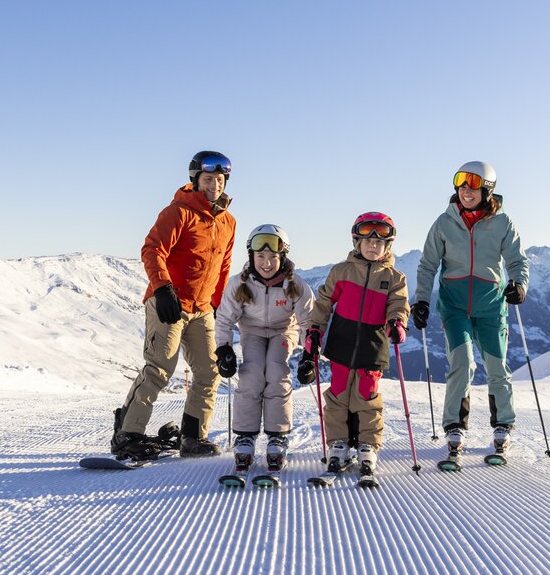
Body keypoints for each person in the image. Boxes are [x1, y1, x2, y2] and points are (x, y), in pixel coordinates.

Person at [112, 150, 236, 459]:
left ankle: (192, 437)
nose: (215, 186)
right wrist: (163, 288)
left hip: (203, 308)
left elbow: (223, 267)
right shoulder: (178, 212)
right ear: (196, 180)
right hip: (169, 302)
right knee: (159, 369)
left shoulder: (228, 222)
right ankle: (128, 434)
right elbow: (152, 249)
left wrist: (218, 306)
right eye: (209, 179)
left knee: (209, 372)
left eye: (220, 180)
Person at [412, 161, 529, 458]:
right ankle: (454, 426)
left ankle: (503, 426)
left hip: (491, 306)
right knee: (462, 363)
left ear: (487, 190)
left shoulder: (503, 223)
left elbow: (517, 261)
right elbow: (427, 265)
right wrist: (421, 300)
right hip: (454, 307)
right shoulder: (444, 222)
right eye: (461, 184)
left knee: (497, 368)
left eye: (473, 185)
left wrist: (519, 284)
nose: (466, 191)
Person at [299, 212, 410, 478]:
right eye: (367, 240)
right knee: (338, 393)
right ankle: (338, 443)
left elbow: (398, 304)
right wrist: (315, 330)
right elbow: (324, 303)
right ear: (356, 242)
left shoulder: (395, 277)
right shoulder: (342, 271)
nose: (373, 245)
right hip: (342, 340)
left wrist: (397, 323)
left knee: (366, 395)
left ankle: (367, 444)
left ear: (388, 245)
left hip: (373, 344)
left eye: (379, 241)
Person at [214, 224, 315, 472]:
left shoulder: (295, 284)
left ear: (283, 257)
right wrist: (223, 350)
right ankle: (245, 436)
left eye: (273, 257)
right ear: (251, 256)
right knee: (252, 372)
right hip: (252, 332)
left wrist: (310, 355)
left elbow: (309, 322)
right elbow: (224, 319)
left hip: (284, 331)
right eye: (260, 256)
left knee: (276, 370)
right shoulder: (240, 283)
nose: (266, 263)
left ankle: (277, 436)